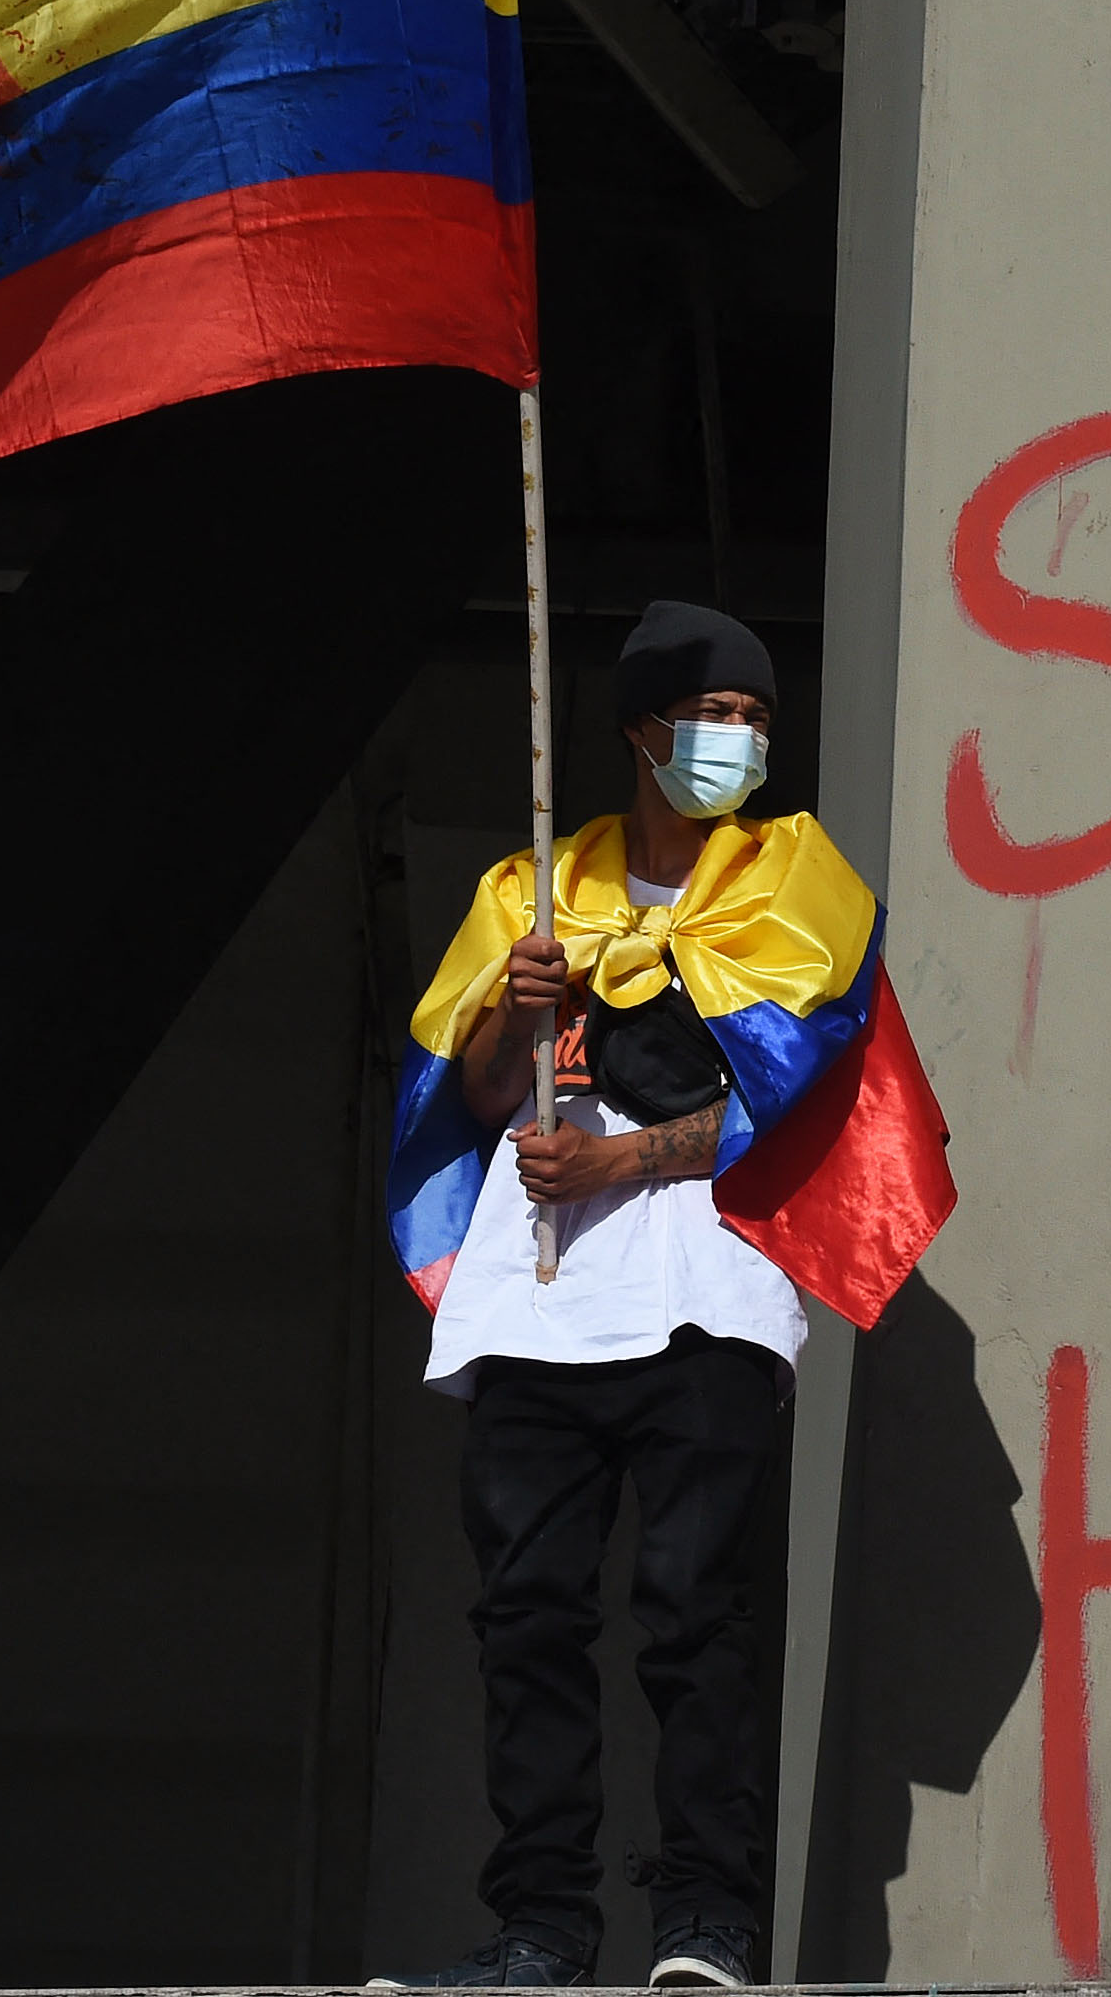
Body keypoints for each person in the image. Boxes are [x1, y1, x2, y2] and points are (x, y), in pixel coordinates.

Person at [371, 603, 886, 1992]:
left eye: (760, 719)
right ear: (642, 728)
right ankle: (540, 1918)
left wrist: (621, 1154)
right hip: (538, 1291)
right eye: (718, 712)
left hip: (707, 1279)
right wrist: (509, 1010)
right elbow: (467, 1092)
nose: (742, 740)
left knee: (690, 1599)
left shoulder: (796, 874)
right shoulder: (532, 890)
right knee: (527, 1605)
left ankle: (705, 1915)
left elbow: (793, 1081)